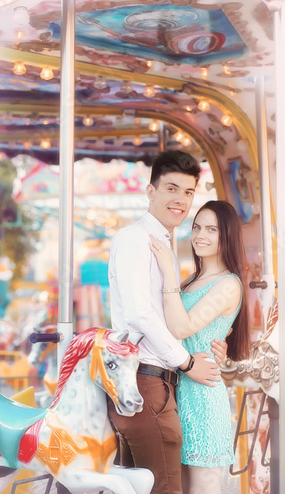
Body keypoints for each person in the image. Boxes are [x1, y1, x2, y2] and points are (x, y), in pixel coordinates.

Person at [107, 150, 228, 494]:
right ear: (151, 191)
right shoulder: (135, 239)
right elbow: (139, 314)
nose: (181, 200)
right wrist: (188, 362)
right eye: (172, 188)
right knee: (165, 487)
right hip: (146, 378)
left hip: (157, 381)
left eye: (188, 192)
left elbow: (174, 318)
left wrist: (216, 340)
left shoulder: (164, 244)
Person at [149, 200, 250, 494]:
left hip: (203, 397)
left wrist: (168, 272)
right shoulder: (192, 280)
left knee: (202, 489)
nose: (200, 235)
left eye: (211, 229)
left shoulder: (228, 284)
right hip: (179, 389)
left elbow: (180, 328)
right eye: (196, 227)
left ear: (227, 235)